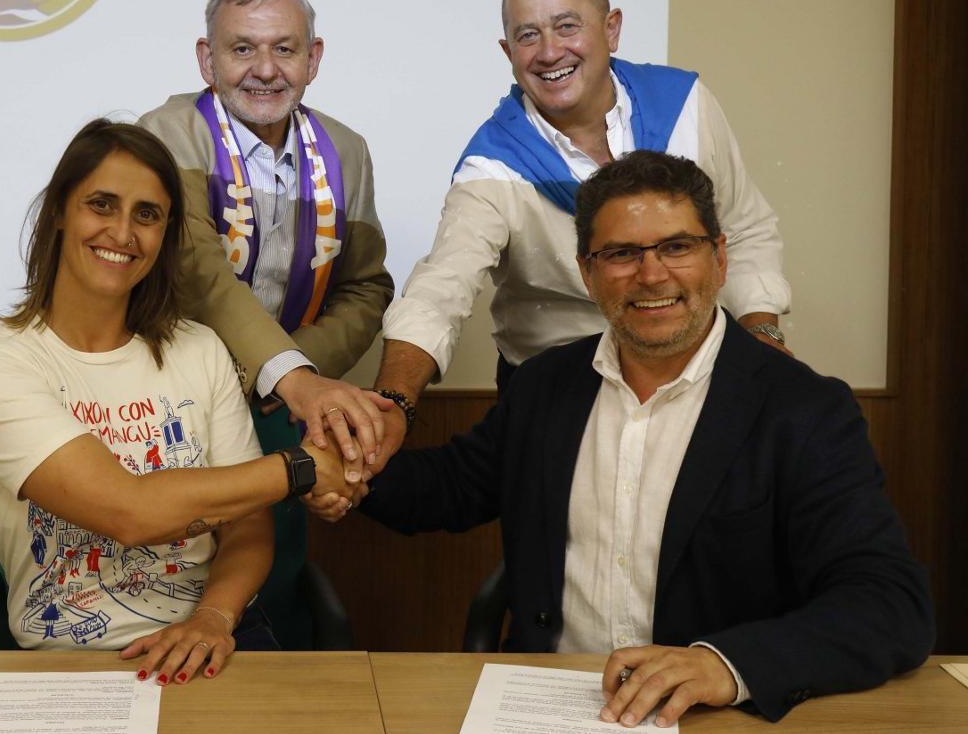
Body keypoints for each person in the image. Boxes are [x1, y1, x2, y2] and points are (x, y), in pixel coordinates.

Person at [350, 151, 933, 725]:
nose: (652, 275)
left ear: (719, 258)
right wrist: (342, 463)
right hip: (549, 706)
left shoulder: (802, 409)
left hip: (710, 716)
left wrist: (725, 665)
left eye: (677, 247)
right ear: (588, 273)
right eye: (622, 253)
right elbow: (447, 488)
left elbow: (889, 602)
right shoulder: (545, 385)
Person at [0, 119, 351, 681]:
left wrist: (213, 618)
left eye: (147, 215)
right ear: (59, 211)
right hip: (65, 666)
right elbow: (130, 513)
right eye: (101, 205)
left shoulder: (201, 349)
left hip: (207, 650)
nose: (122, 233)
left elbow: (247, 526)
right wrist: (303, 468)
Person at [374, 0, 791, 461]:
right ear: (508, 53)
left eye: (567, 26)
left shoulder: (684, 105)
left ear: (611, 29)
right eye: (528, 36)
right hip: (558, 394)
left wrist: (761, 331)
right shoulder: (491, 166)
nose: (550, 52)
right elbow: (441, 290)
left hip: (697, 377)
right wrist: (393, 403)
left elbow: (742, 228)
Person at [141, 0, 394, 645]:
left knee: (271, 595)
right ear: (207, 59)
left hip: (283, 410)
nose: (264, 69)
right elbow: (199, 274)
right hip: (177, 403)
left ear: (314, 58)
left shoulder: (346, 151)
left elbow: (367, 287)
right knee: (170, 589)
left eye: (284, 48)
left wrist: (290, 381)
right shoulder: (164, 137)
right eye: (242, 48)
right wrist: (297, 381)